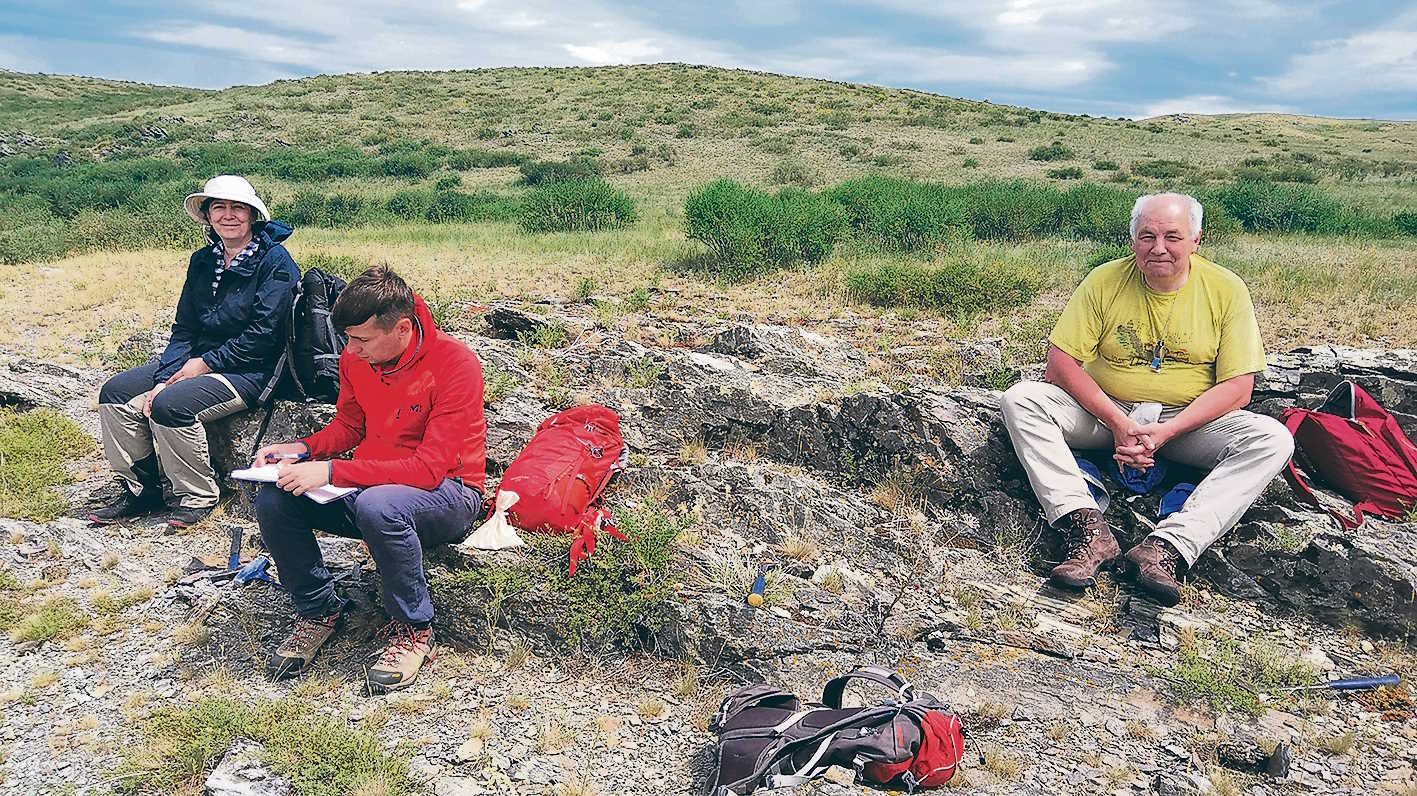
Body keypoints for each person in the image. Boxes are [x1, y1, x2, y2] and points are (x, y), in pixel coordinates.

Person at [1000, 192, 1293, 605]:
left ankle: (1166, 549)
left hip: (1186, 424)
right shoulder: (1104, 280)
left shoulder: (1226, 290)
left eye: (1172, 236)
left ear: (1196, 239)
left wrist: (1167, 431)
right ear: (1133, 239)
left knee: (1273, 439)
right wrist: (1119, 423)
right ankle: (1086, 529)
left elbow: (1238, 388)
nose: (1159, 248)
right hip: (1106, 414)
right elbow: (1060, 365)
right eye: (1146, 236)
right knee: (1022, 400)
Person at [253, 266, 486, 690]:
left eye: (361, 340)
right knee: (274, 496)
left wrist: (329, 470)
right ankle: (318, 610)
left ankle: (413, 631)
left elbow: (428, 469)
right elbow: (349, 426)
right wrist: (302, 450)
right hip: (370, 486)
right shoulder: (355, 358)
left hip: (449, 493)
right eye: (347, 339)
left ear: (400, 328)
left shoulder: (455, 364)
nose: (351, 350)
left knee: (377, 506)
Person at [91, 176, 298, 529]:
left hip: (252, 370)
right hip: (200, 359)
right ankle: (141, 490)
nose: (228, 215)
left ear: (252, 215)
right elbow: (185, 327)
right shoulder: (203, 260)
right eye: (219, 207)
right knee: (115, 393)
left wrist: (202, 365)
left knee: (174, 405)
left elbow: (264, 335)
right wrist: (164, 377)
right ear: (208, 215)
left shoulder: (275, 262)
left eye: (237, 208)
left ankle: (197, 496)